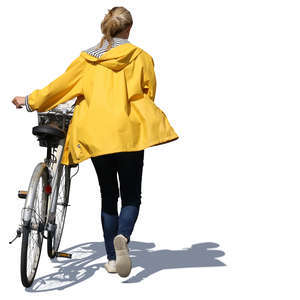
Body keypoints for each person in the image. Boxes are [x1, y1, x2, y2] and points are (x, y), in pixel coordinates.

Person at [12, 6, 179, 278]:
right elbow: (150, 94)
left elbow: (59, 88)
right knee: (131, 196)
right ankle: (123, 237)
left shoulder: (88, 60)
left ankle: (112, 260)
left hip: (98, 135)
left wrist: (29, 101)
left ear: (107, 27)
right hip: (130, 135)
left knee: (108, 196)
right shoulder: (143, 58)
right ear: (129, 29)